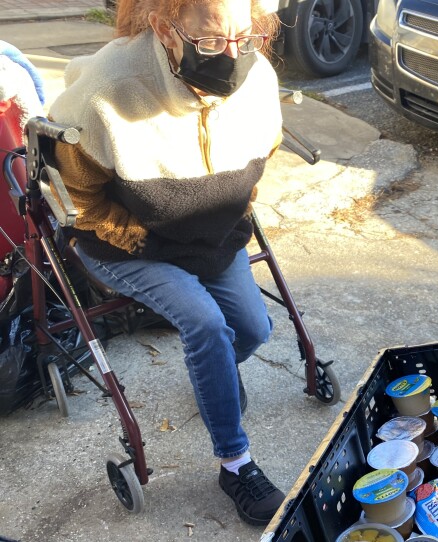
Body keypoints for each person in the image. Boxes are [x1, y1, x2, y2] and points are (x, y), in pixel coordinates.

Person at [48, 0, 286, 526]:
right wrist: (151, 242)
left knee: (253, 330)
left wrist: (222, 225)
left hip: (210, 239)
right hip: (127, 242)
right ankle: (236, 465)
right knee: (205, 324)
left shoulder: (258, 78)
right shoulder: (109, 89)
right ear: (164, 27)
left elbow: (258, 163)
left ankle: (213, 378)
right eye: (209, 42)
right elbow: (79, 202)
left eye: (244, 39)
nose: (231, 56)